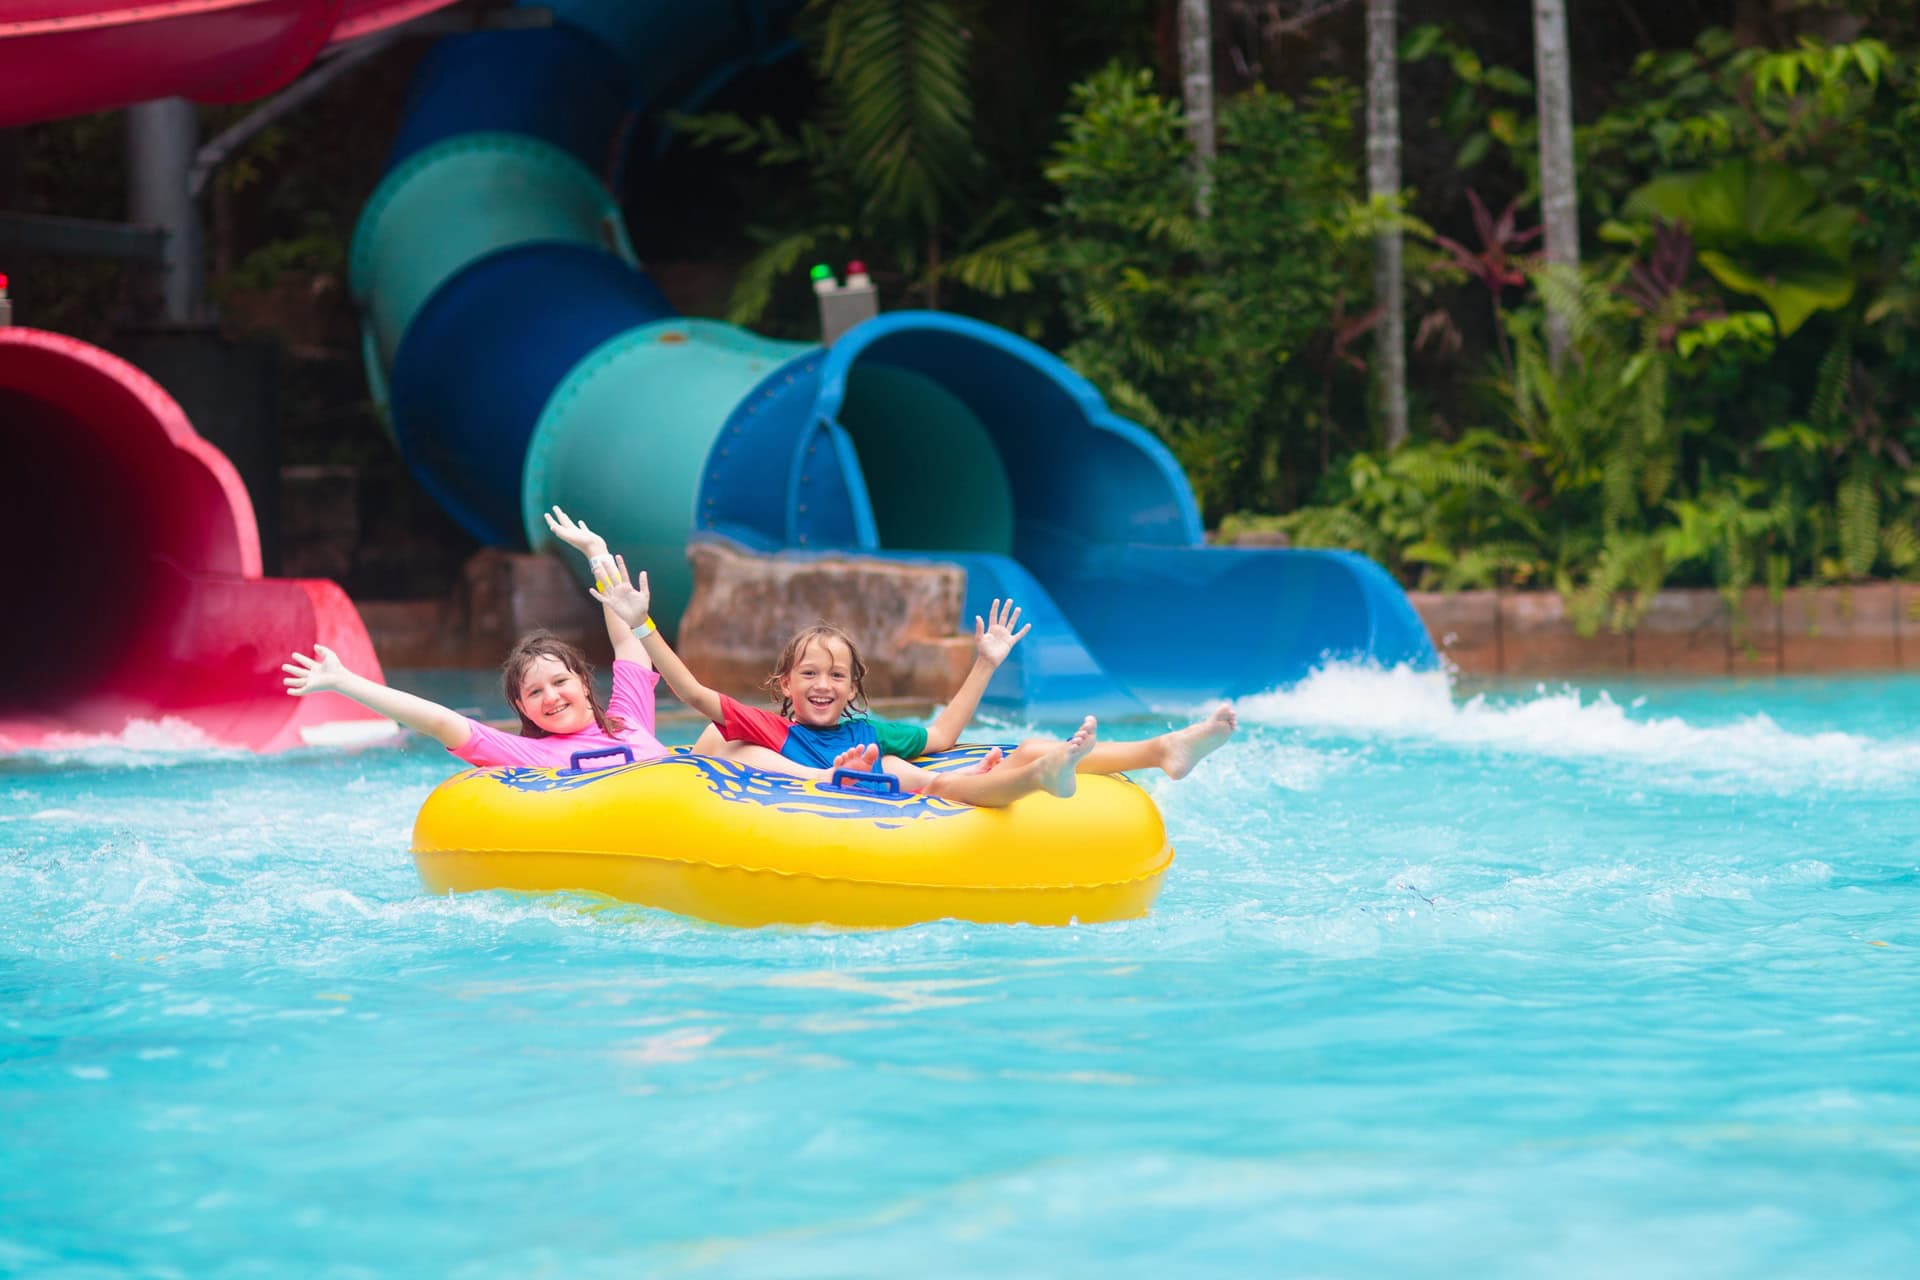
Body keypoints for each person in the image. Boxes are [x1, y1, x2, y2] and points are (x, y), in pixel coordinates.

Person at [542, 506, 1241, 789]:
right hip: (796, 790)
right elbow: (692, 694)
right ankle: (1039, 776)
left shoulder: (867, 730)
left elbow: (940, 731)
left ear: (851, 690)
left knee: (1030, 743)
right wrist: (643, 623)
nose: (822, 684)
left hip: (889, 779)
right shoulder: (765, 728)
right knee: (715, 737)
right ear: (784, 683)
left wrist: (985, 664)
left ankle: (1161, 750)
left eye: (836, 677)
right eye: (809, 673)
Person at [282, 573, 669, 769]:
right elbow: (438, 721)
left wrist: (597, 555)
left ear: (584, 683)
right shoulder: (526, 754)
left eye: (560, 681)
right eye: (534, 693)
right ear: (522, 707)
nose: (550, 696)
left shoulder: (629, 717)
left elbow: (628, 641)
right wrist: (345, 681)